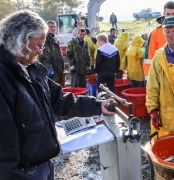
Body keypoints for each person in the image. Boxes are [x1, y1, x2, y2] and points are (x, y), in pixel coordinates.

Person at [0, 10, 115, 180]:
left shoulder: (30, 69)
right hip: (23, 172)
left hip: (43, 163)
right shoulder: (4, 78)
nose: (40, 51)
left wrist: (97, 106)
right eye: (39, 45)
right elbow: (4, 147)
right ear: (22, 41)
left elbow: (58, 99)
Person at [146, 16, 174, 138]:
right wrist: (153, 110)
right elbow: (152, 86)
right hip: (168, 117)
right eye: (167, 31)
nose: (170, 35)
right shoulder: (159, 58)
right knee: (169, 152)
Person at [144, 1, 174, 80]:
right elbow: (149, 59)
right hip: (162, 78)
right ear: (164, 14)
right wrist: (149, 80)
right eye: (168, 14)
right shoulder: (155, 33)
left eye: (173, 14)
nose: (171, 17)